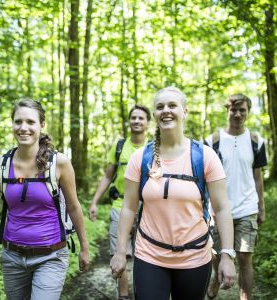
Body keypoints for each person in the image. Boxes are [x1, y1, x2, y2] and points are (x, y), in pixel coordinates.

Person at [110, 86, 236, 300]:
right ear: (154, 115)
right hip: (149, 254)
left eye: (172, 105)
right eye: (160, 107)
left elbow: (222, 208)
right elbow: (129, 207)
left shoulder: (205, 156)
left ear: (184, 111)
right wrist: (120, 251)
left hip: (195, 257)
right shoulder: (140, 157)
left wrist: (227, 254)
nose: (165, 110)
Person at [0, 99, 90, 299]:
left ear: (42, 125)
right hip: (12, 257)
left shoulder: (59, 163)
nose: (23, 128)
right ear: (12, 124)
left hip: (51, 256)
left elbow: (74, 207)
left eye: (30, 122)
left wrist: (85, 248)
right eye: (18, 122)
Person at [205, 94, 267, 300]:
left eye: (242, 110)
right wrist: (205, 209)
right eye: (234, 110)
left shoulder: (256, 141)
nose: (238, 114)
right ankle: (216, 275)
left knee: (244, 258)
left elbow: (258, 178)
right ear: (227, 111)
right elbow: (204, 178)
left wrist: (261, 208)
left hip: (247, 209)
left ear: (248, 112)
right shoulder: (211, 141)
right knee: (216, 254)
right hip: (217, 210)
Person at [89, 104, 150, 300]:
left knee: (146, 255)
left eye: (141, 118)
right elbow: (107, 177)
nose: (137, 121)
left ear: (148, 123)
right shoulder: (119, 147)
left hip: (148, 208)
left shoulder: (154, 147)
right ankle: (123, 295)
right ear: (129, 121)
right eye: (134, 117)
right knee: (119, 252)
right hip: (120, 206)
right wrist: (94, 202)